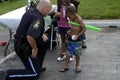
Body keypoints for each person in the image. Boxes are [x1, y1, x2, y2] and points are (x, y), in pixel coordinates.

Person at [0, 0, 52, 80]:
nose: (49, 13)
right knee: (34, 74)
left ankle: (38, 66)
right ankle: (6, 74)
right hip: (24, 48)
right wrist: (35, 49)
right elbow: (30, 36)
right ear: (44, 9)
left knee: (45, 43)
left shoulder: (30, 11)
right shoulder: (38, 19)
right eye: (49, 10)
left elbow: (28, 27)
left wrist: (41, 34)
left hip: (22, 42)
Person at [59, 6, 86, 73]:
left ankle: (77, 65)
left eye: (69, 16)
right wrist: (69, 31)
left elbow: (84, 28)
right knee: (68, 53)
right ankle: (66, 65)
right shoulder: (71, 18)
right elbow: (73, 27)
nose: (68, 17)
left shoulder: (79, 19)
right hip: (70, 38)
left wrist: (77, 35)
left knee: (77, 54)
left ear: (73, 13)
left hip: (77, 39)